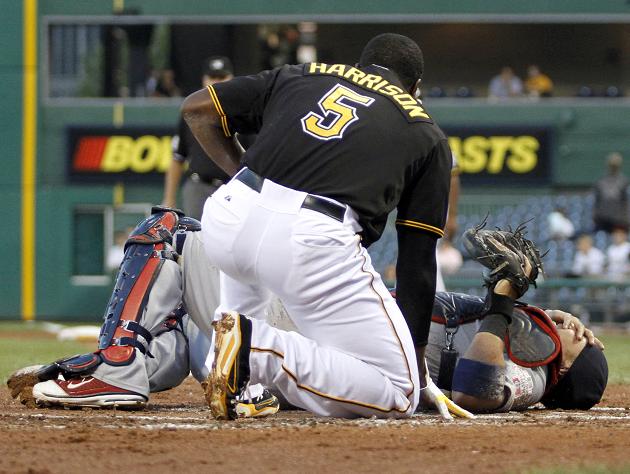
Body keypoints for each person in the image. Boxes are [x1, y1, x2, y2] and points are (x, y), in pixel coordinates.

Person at [182, 33, 463, 420]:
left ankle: (238, 372)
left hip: (229, 215)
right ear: (415, 88)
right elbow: (416, 262)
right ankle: (250, 351)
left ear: (360, 64)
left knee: (243, 315)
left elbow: (197, 109)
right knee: (401, 389)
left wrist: (241, 177)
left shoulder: (303, 74)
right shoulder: (426, 132)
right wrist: (419, 369)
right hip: (310, 238)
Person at [162, 57, 234, 220]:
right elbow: (177, 157)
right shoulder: (191, 111)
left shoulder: (244, 111)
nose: (216, 82)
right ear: (204, 80)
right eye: (212, 77)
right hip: (200, 186)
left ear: (231, 79)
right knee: (196, 238)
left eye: (221, 77)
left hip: (232, 188)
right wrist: (169, 198)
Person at [593, 152, 629, 233]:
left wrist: (626, 220)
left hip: (620, 220)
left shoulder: (624, 182)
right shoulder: (601, 181)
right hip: (603, 219)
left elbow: (626, 202)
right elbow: (596, 201)